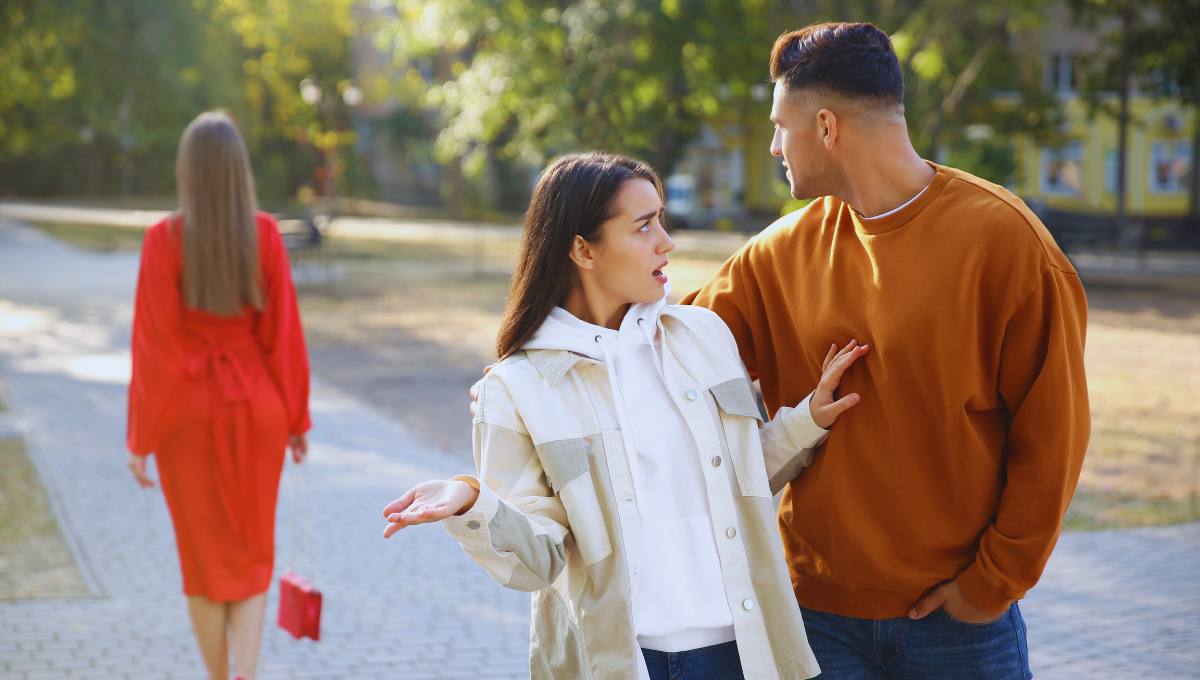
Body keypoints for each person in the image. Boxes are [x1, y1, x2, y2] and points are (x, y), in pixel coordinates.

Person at [680, 23, 1090, 679]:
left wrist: (992, 585)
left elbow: (1053, 437)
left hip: (959, 626)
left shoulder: (1007, 244)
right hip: (816, 621)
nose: (773, 146)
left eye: (780, 127)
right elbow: (667, 348)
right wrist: (539, 364)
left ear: (825, 127)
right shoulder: (776, 256)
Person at [382, 152, 870, 680]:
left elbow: (742, 481)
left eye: (662, 220)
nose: (667, 241)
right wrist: (472, 503)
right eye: (643, 227)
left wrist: (808, 420)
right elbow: (535, 563)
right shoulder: (516, 387)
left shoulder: (703, 337)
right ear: (581, 249)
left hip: (742, 651)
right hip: (618, 662)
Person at [126, 111, 311, 680]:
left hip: (186, 412)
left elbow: (154, 348)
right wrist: (297, 419)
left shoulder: (164, 239)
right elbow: (283, 335)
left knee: (203, 562)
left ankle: (218, 677)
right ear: (238, 171)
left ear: (187, 172)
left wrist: (141, 437)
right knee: (253, 552)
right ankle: (247, 674)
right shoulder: (263, 234)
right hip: (257, 409)